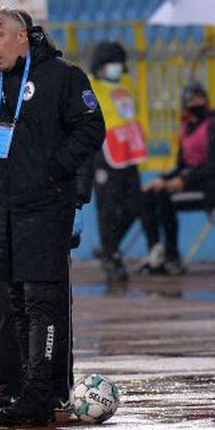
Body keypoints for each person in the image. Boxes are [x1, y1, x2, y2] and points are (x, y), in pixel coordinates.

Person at [0, 5, 105, 427]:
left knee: (42, 303)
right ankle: (20, 389)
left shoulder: (63, 76)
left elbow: (91, 127)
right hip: (0, 209)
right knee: (12, 305)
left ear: (21, 37)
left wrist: (55, 171)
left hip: (44, 209)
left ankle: (43, 394)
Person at [138, 83, 215, 275]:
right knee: (148, 195)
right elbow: (182, 165)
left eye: (199, 99)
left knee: (167, 198)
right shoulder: (186, 128)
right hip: (191, 183)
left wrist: (184, 180)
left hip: (214, 187)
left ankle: (172, 256)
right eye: (190, 100)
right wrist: (163, 179)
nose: (194, 103)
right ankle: (156, 251)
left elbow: (214, 166)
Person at [87, 41, 147, 283]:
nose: (115, 68)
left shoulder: (127, 84)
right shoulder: (90, 87)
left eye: (118, 63)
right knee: (108, 209)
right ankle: (111, 256)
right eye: (111, 63)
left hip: (128, 153)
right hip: (103, 154)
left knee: (135, 205)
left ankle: (107, 246)